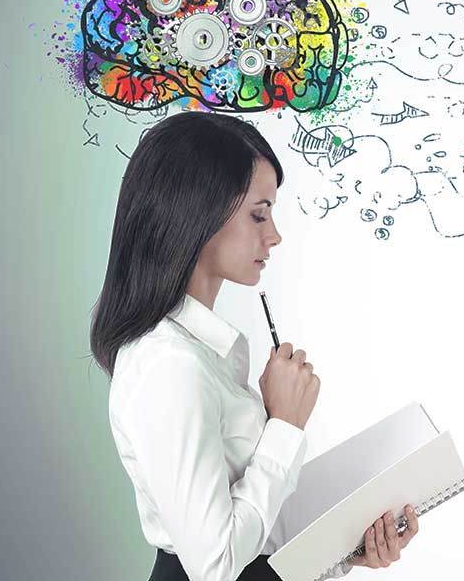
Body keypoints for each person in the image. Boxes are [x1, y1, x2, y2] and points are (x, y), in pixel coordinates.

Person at [89, 112, 420, 581]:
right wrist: (283, 426)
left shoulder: (203, 354)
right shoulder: (169, 362)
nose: (275, 234)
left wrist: (345, 548)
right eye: (258, 214)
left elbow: (255, 535)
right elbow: (217, 564)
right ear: (196, 212)